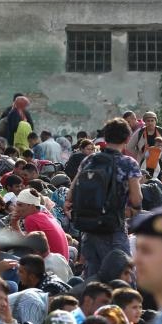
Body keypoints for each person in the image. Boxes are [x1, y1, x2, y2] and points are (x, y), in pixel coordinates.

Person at [65, 118, 143, 278]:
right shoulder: (128, 163)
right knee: (124, 277)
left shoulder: (89, 160)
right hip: (113, 227)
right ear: (127, 139)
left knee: (94, 278)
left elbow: (70, 194)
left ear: (105, 138)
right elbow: (136, 200)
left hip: (88, 228)